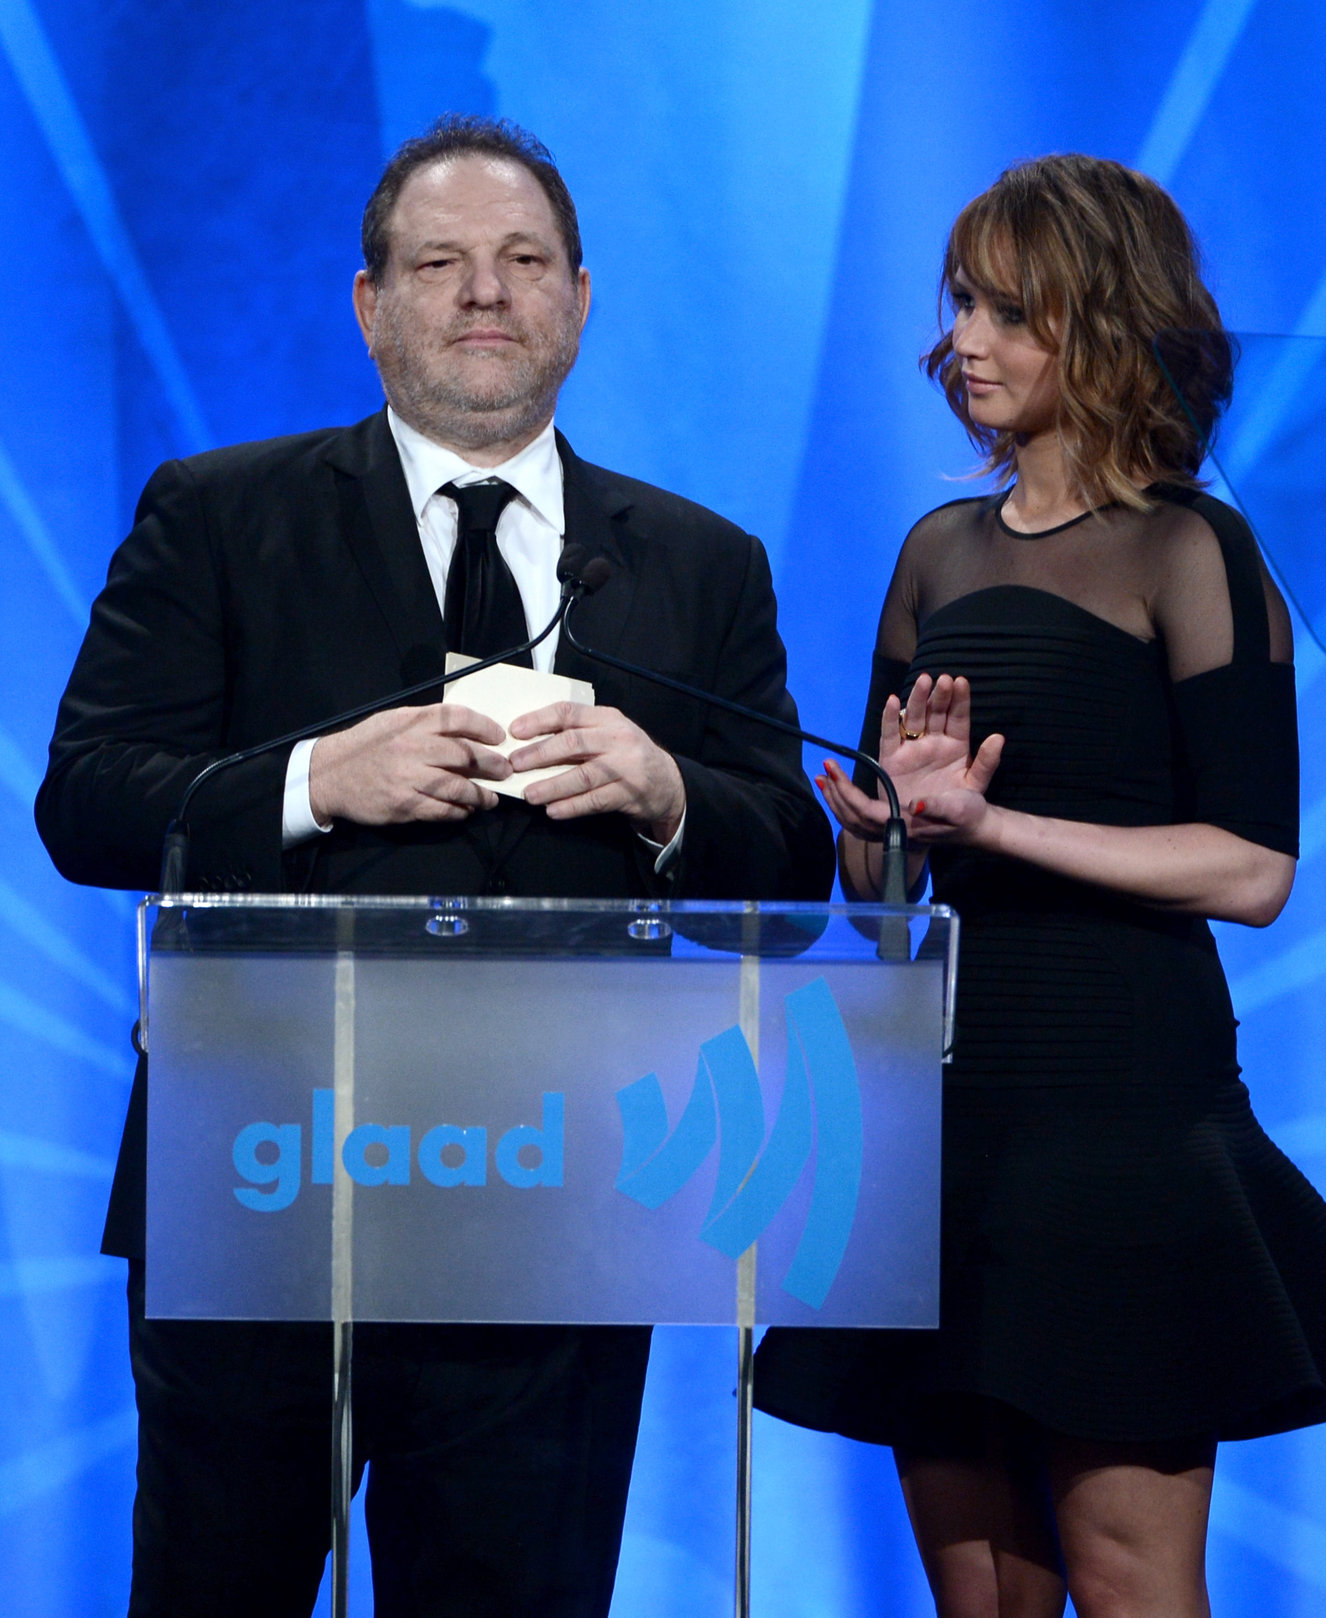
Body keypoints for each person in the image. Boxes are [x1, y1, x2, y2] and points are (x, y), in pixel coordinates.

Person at [35, 115, 833, 1618]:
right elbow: (83, 803)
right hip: (262, 1176)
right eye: (440, 263)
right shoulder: (220, 516)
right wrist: (309, 782)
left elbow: (794, 866)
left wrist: (670, 796)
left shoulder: (695, 561)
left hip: (560, 1193)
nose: (484, 293)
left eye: (523, 261)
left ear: (578, 301)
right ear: (369, 303)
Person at [753, 154, 1326, 1618]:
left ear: (1106, 322)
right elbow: (880, 893)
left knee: (1126, 1577)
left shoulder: (1190, 548)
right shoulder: (935, 552)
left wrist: (998, 828)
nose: (965, 342)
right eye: (961, 305)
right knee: (982, 1591)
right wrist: (885, 827)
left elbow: (1250, 867)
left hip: (1122, 1112)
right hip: (945, 1110)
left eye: (1011, 312)